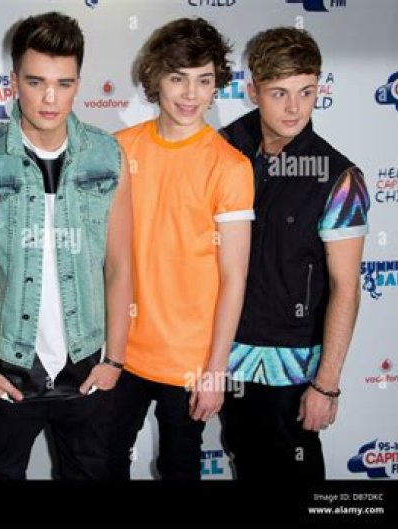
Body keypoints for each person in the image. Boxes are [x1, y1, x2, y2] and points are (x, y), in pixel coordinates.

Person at [0, 11, 132, 480]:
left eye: (63, 84)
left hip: (87, 366)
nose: (50, 98)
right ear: (14, 82)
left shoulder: (108, 155)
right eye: (35, 82)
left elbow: (119, 265)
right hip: (7, 366)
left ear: (77, 85)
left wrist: (115, 359)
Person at [219, 27, 370, 480]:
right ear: (253, 92)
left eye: (306, 92)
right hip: (226, 358)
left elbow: (346, 287)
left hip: (293, 368)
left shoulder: (339, 177)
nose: (294, 108)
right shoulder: (224, 149)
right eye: (279, 93)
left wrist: (327, 385)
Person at [109, 17, 254, 480]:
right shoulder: (118, 150)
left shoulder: (230, 167)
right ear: (155, 78)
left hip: (190, 363)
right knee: (101, 464)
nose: (191, 94)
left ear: (216, 86)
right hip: (120, 352)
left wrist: (215, 371)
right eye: (178, 79)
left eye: (204, 81)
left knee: (179, 469)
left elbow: (234, 277)